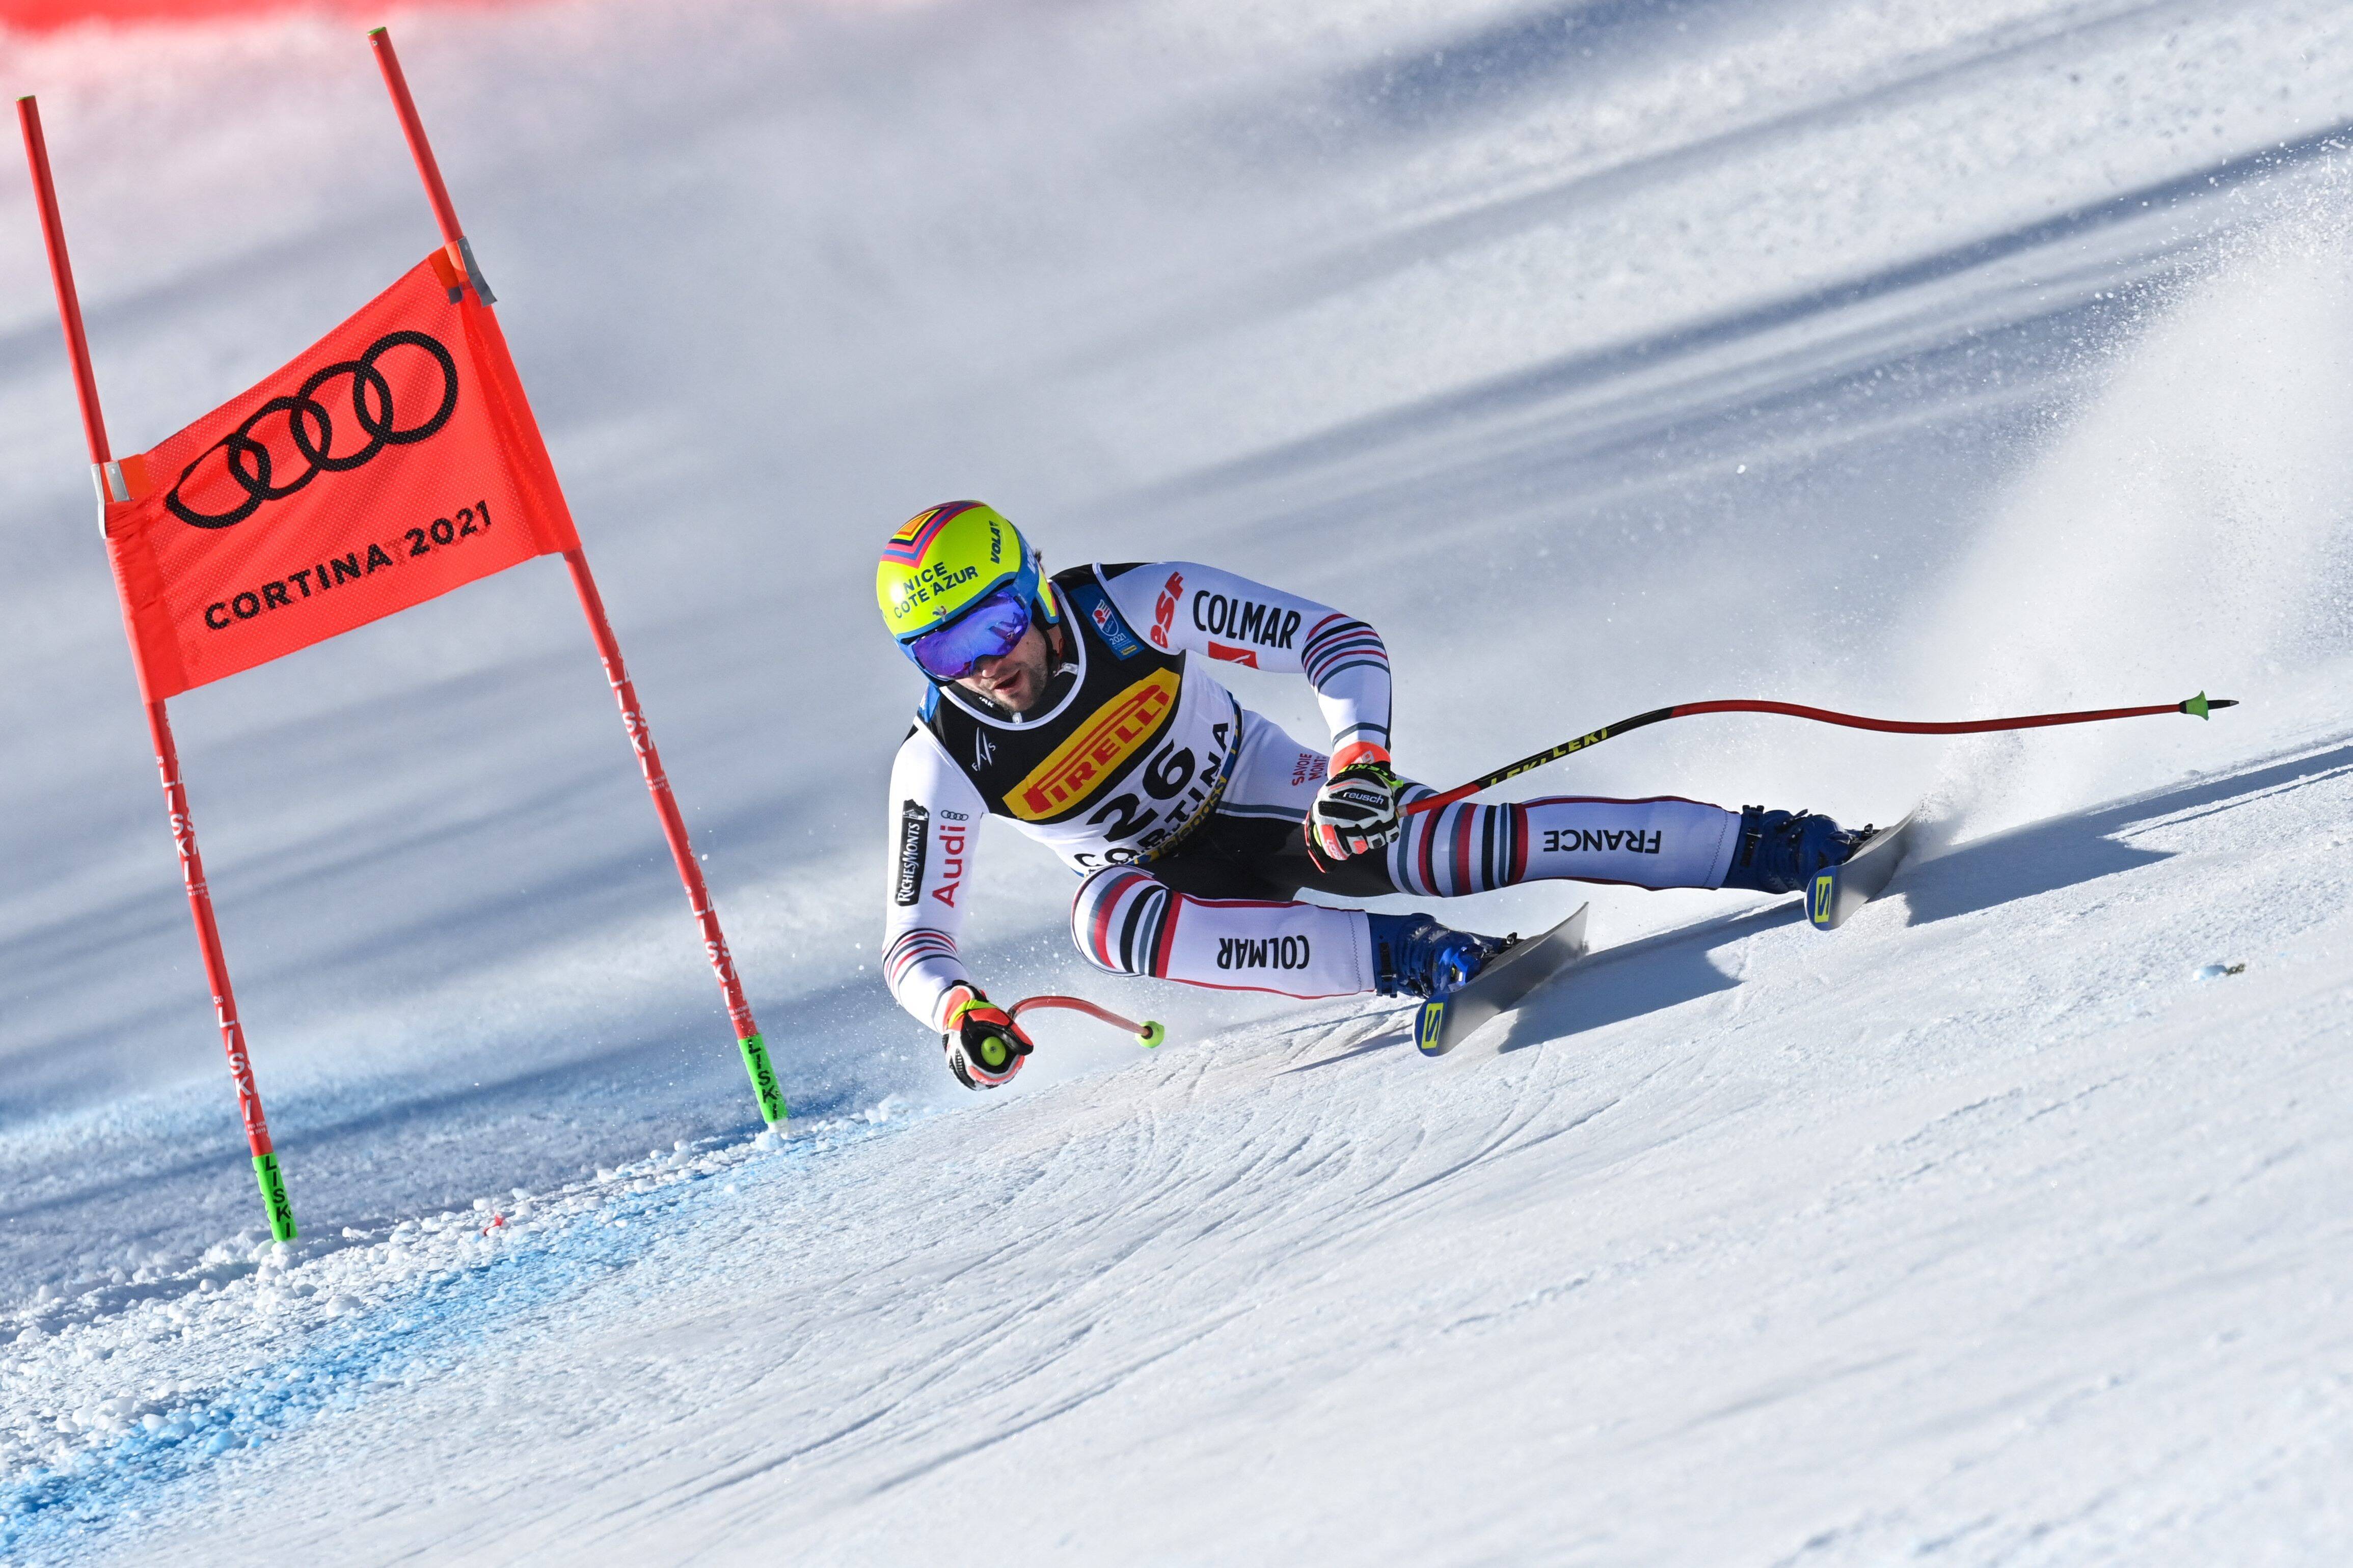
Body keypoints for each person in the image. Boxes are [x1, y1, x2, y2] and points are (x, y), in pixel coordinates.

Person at [876, 501, 1862, 1089]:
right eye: (944, 650)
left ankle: (1773, 846)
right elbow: (915, 941)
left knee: (1444, 847)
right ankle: (1419, 958)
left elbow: (1331, 638)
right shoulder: (943, 757)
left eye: (998, 622)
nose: (987, 665)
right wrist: (960, 1013)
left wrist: (1359, 761)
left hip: (1271, 795)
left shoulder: (1131, 605)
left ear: (1035, 589)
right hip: (1165, 885)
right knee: (1106, 920)